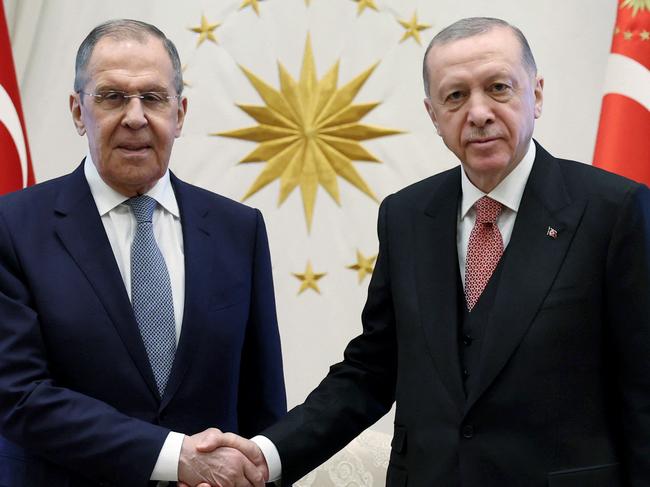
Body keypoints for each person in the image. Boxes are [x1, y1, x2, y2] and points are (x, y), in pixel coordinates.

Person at [196, 16, 650, 487]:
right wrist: (266, 456)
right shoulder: (407, 216)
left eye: (498, 88)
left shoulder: (613, 211)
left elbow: (643, 393)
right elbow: (371, 371)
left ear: (535, 94)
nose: (478, 113)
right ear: (433, 115)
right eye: (455, 96)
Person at [0, 19, 286, 487]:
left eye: (153, 98)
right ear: (77, 111)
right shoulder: (12, 227)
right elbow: (18, 395)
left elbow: (262, 401)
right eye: (112, 97)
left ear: (180, 113)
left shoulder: (239, 229)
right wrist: (176, 456)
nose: (135, 117)